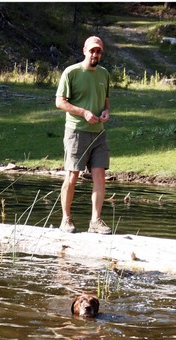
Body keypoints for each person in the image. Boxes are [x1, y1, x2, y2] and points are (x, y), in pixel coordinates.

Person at [55, 36, 112, 234]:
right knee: (72, 176)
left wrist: (106, 112)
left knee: (100, 176)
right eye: (92, 51)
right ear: (84, 50)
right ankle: (66, 219)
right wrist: (84, 112)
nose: (95, 54)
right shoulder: (71, 72)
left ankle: (95, 221)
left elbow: (105, 101)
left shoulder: (104, 74)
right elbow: (60, 102)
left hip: (98, 133)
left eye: (99, 51)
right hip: (76, 132)